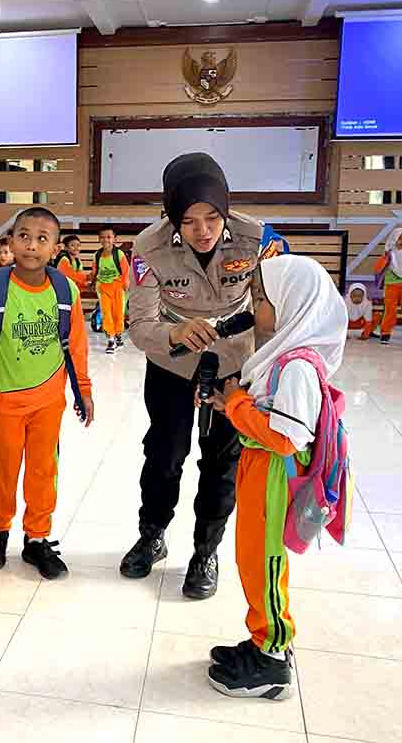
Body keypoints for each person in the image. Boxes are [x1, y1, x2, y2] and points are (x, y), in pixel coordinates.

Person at [203, 254, 346, 700]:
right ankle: (260, 635)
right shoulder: (281, 358)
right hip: (258, 469)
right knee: (250, 557)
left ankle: (271, 659)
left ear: (294, 305)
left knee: (265, 563)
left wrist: (236, 407)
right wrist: (233, 403)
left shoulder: (299, 367)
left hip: (274, 476)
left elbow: (285, 438)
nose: (256, 305)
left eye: (263, 298)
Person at [121, 153, 262, 600]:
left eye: (212, 217)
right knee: (165, 452)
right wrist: (175, 332)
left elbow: (273, 310)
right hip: (172, 358)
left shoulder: (257, 239)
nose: (202, 230)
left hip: (235, 359)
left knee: (222, 459)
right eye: (188, 220)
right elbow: (138, 325)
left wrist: (264, 368)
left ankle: (206, 550)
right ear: (171, 216)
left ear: (226, 211)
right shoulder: (147, 248)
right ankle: (152, 533)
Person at [0, 207, 94, 579]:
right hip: (4, 399)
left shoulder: (64, 289)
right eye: (23, 236)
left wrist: (83, 389)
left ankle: (37, 538)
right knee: (3, 469)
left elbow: (77, 345)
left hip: (48, 400)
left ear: (55, 248)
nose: (32, 245)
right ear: (10, 241)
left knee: (43, 470)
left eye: (42, 238)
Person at [91, 225, 130, 354]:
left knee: (118, 314)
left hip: (118, 288)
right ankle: (111, 340)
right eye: (102, 237)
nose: (105, 240)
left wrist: (126, 285)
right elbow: (95, 272)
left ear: (114, 239)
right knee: (106, 314)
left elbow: (125, 271)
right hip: (103, 288)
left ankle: (118, 334)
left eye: (108, 237)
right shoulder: (97, 255)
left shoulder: (119, 254)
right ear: (99, 239)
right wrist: (91, 281)